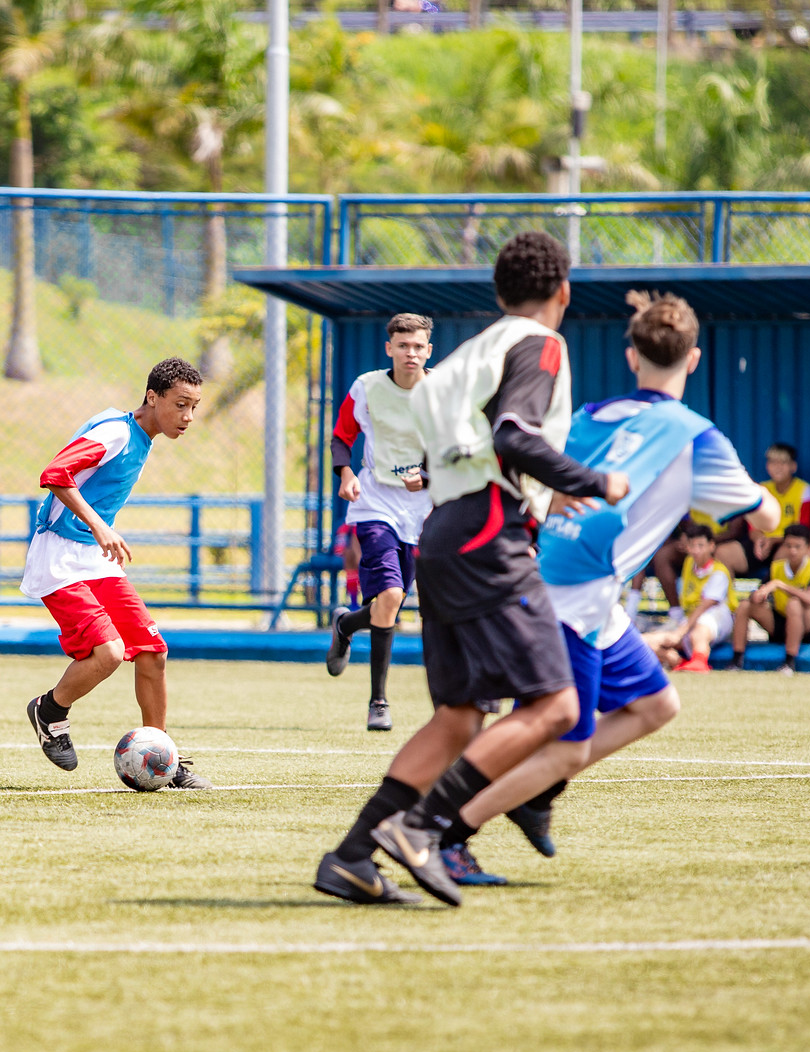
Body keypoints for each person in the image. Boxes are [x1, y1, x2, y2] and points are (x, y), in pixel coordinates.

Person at [314, 231, 627, 907]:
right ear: (562, 293)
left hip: (443, 529)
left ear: (498, 291)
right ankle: (421, 827)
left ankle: (349, 857)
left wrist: (545, 484)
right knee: (554, 703)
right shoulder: (540, 342)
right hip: (489, 531)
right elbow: (515, 433)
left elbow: (464, 444)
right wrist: (593, 480)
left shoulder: (464, 357)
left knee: (460, 716)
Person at [432, 290, 779, 863]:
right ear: (693, 360)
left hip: (548, 577)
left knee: (655, 704)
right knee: (563, 742)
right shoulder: (696, 437)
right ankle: (446, 833)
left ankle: (530, 792)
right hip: (574, 599)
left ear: (631, 357)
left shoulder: (590, 415)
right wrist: (767, 503)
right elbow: (763, 515)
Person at [19, 357, 214, 790]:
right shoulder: (116, 432)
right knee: (107, 653)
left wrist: (98, 531)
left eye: (194, 407)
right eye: (181, 405)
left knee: (152, 652)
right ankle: (50, 712)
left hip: (92, 556)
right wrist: (99, 524)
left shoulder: (140, 436)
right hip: (61, 556)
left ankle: (164, 756)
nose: (188, 417)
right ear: (153, 397)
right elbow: (54, 474)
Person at [322, 312, 436, 732]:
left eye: (418, 346)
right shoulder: (367, 387)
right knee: (389, 594)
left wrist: (428, 476)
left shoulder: (441, 391)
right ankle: (379, 702)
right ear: (389, 347)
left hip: (424, 508)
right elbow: (341, 437)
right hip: (375, 504)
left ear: (429, 350)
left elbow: (461, 447)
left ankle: (346, 624)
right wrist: (346, 474)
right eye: (402, 345)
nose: (411, 353)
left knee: (392, 602)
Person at [730, 523, 810, 674]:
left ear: (808, 548)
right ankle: (736, 660)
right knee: (745, 605)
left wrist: (780, 585)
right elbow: (759, 591)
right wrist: (757, 595)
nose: (792, 551)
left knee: (795, 604)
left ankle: (789, 663)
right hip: (782, 623)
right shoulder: (777, 567)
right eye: (789, 546)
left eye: (797, 546)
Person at [641, 520, 736, 672]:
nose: (696, 551)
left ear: (711, 546)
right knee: (647, 640)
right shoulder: (689, 563)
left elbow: (705, 606)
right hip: (690, 619)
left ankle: (700, 662)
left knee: (700, 627)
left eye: (701, 546)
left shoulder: (719, 572)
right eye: (692, 546)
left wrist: (680, 632)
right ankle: (676, 661)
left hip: (717, 619)